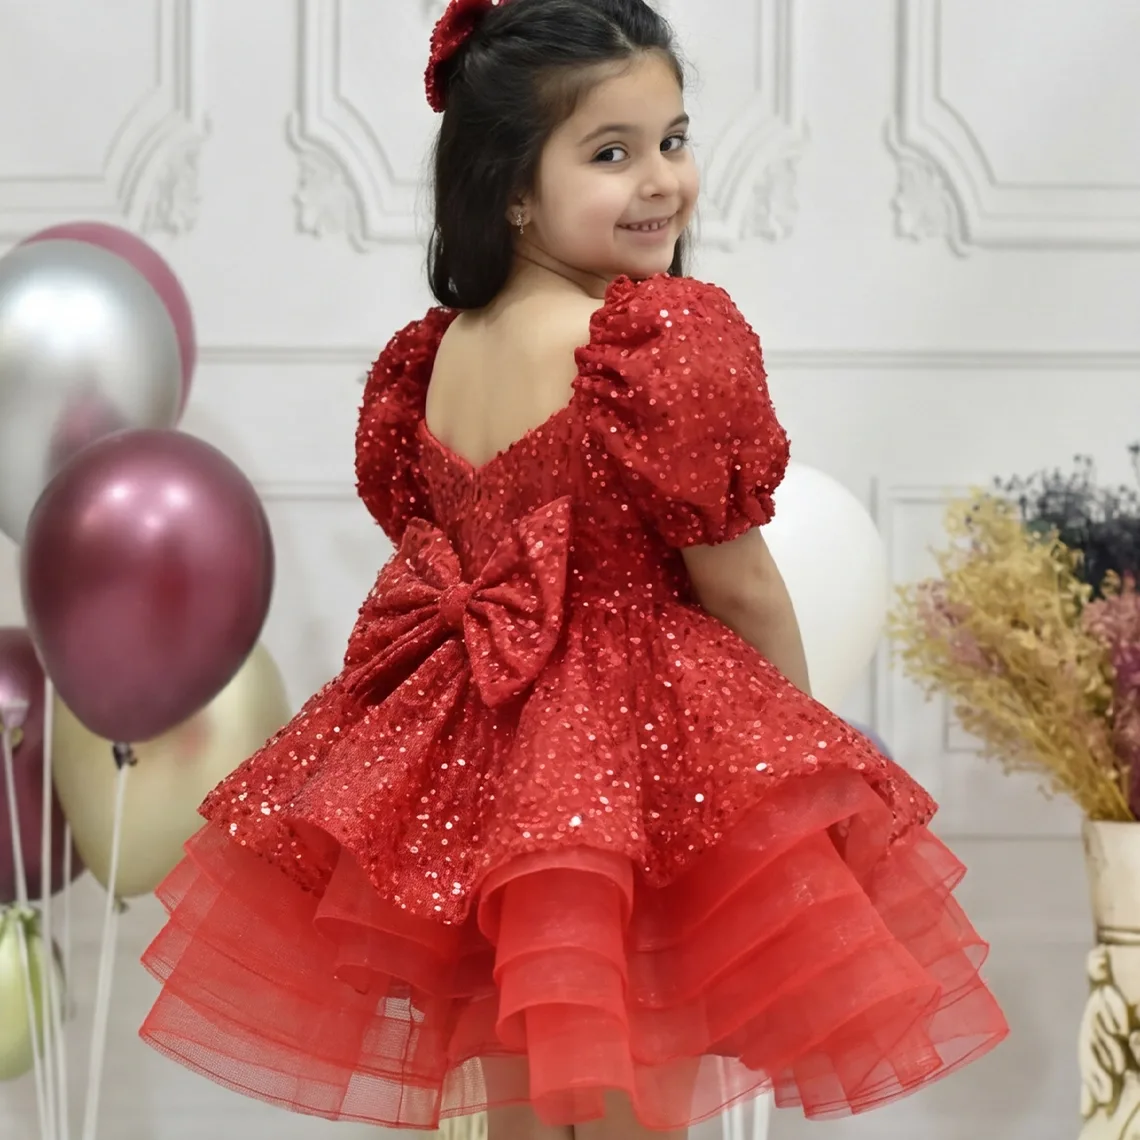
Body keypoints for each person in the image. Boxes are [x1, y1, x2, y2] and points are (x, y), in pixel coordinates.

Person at [138, 1, 1009, 1137]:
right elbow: (740, 584)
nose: (662, 181)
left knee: (521, 1081)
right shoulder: (645, 344)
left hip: (477, 767)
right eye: (611, 154)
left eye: (673, 140)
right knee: (633, 1097)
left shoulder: (436, 357)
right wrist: (798, 773)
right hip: (626, 761)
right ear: (512, 189)